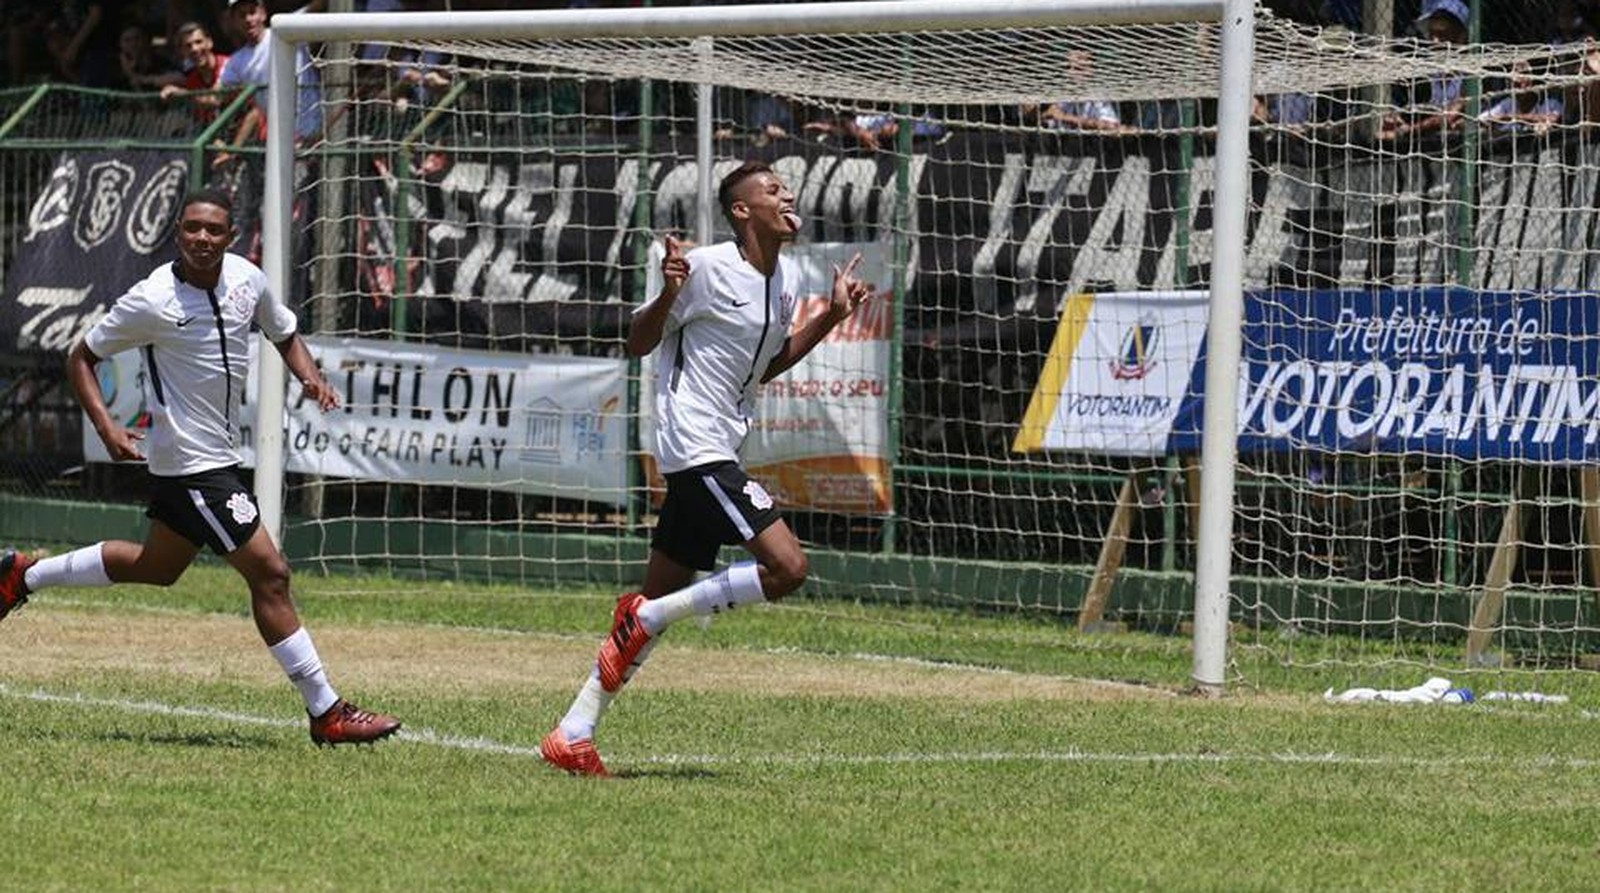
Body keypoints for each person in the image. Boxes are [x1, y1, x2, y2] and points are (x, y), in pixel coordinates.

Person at [0, 189, 401, 748]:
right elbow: (82, 358)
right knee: (271, 574)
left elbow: (283, 330)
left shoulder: (247, 279)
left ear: (230, 237)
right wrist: (108, 429)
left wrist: (309, 377)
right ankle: (326, 711)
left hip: (212, 458)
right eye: (192, 228)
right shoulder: (152, 298)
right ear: (178, 234)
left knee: (157, 566)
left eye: (214, 230)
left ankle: (21, 575)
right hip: (195, 466)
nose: (202, 238)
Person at [538, 161, 875, 776]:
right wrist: (669, 292)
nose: (787, 195)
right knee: (788, 568)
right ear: (741, 211)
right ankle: (645, 616)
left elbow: (768, 364)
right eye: (772, 190)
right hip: (697, 450)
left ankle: (573, 731)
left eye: (786, 187)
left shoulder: (781, 279)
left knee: (654, 606)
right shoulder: (707, 268)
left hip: (720, 447)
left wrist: (830, 316)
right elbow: (638, 342)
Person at [159, 22, 230, 124]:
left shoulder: (228, 66)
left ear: (209, 43)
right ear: (182, 52)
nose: (194, 49)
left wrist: (182, 94)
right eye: (188, 46)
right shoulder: (192, 80)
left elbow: (215, 100)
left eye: (199, 42)